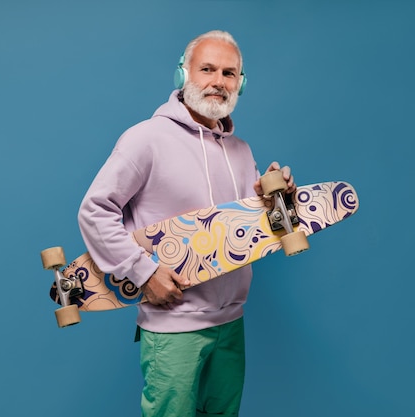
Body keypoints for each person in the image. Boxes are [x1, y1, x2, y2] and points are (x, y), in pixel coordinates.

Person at [78, 30, 296, 417]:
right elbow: (95, 210)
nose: (218, 82)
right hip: (173, 326)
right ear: (183, 75)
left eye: (229, 73)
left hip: (231, 322)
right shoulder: (146, 139)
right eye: (207, 69)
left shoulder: (242, 152)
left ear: (240, 84)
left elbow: (255, 228)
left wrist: (277, 199)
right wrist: (142, 273)